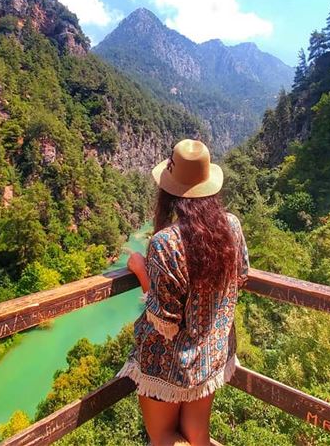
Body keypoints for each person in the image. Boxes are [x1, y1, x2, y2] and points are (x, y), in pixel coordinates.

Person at [119, 139, 249, 446]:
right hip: (211, 356)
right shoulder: (231, 226)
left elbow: (165, 320)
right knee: (197, 435)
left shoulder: (166, 243)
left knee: (163, 436)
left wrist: (140, 269)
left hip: (170, 364)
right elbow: (241, 277)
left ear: (168, 191)